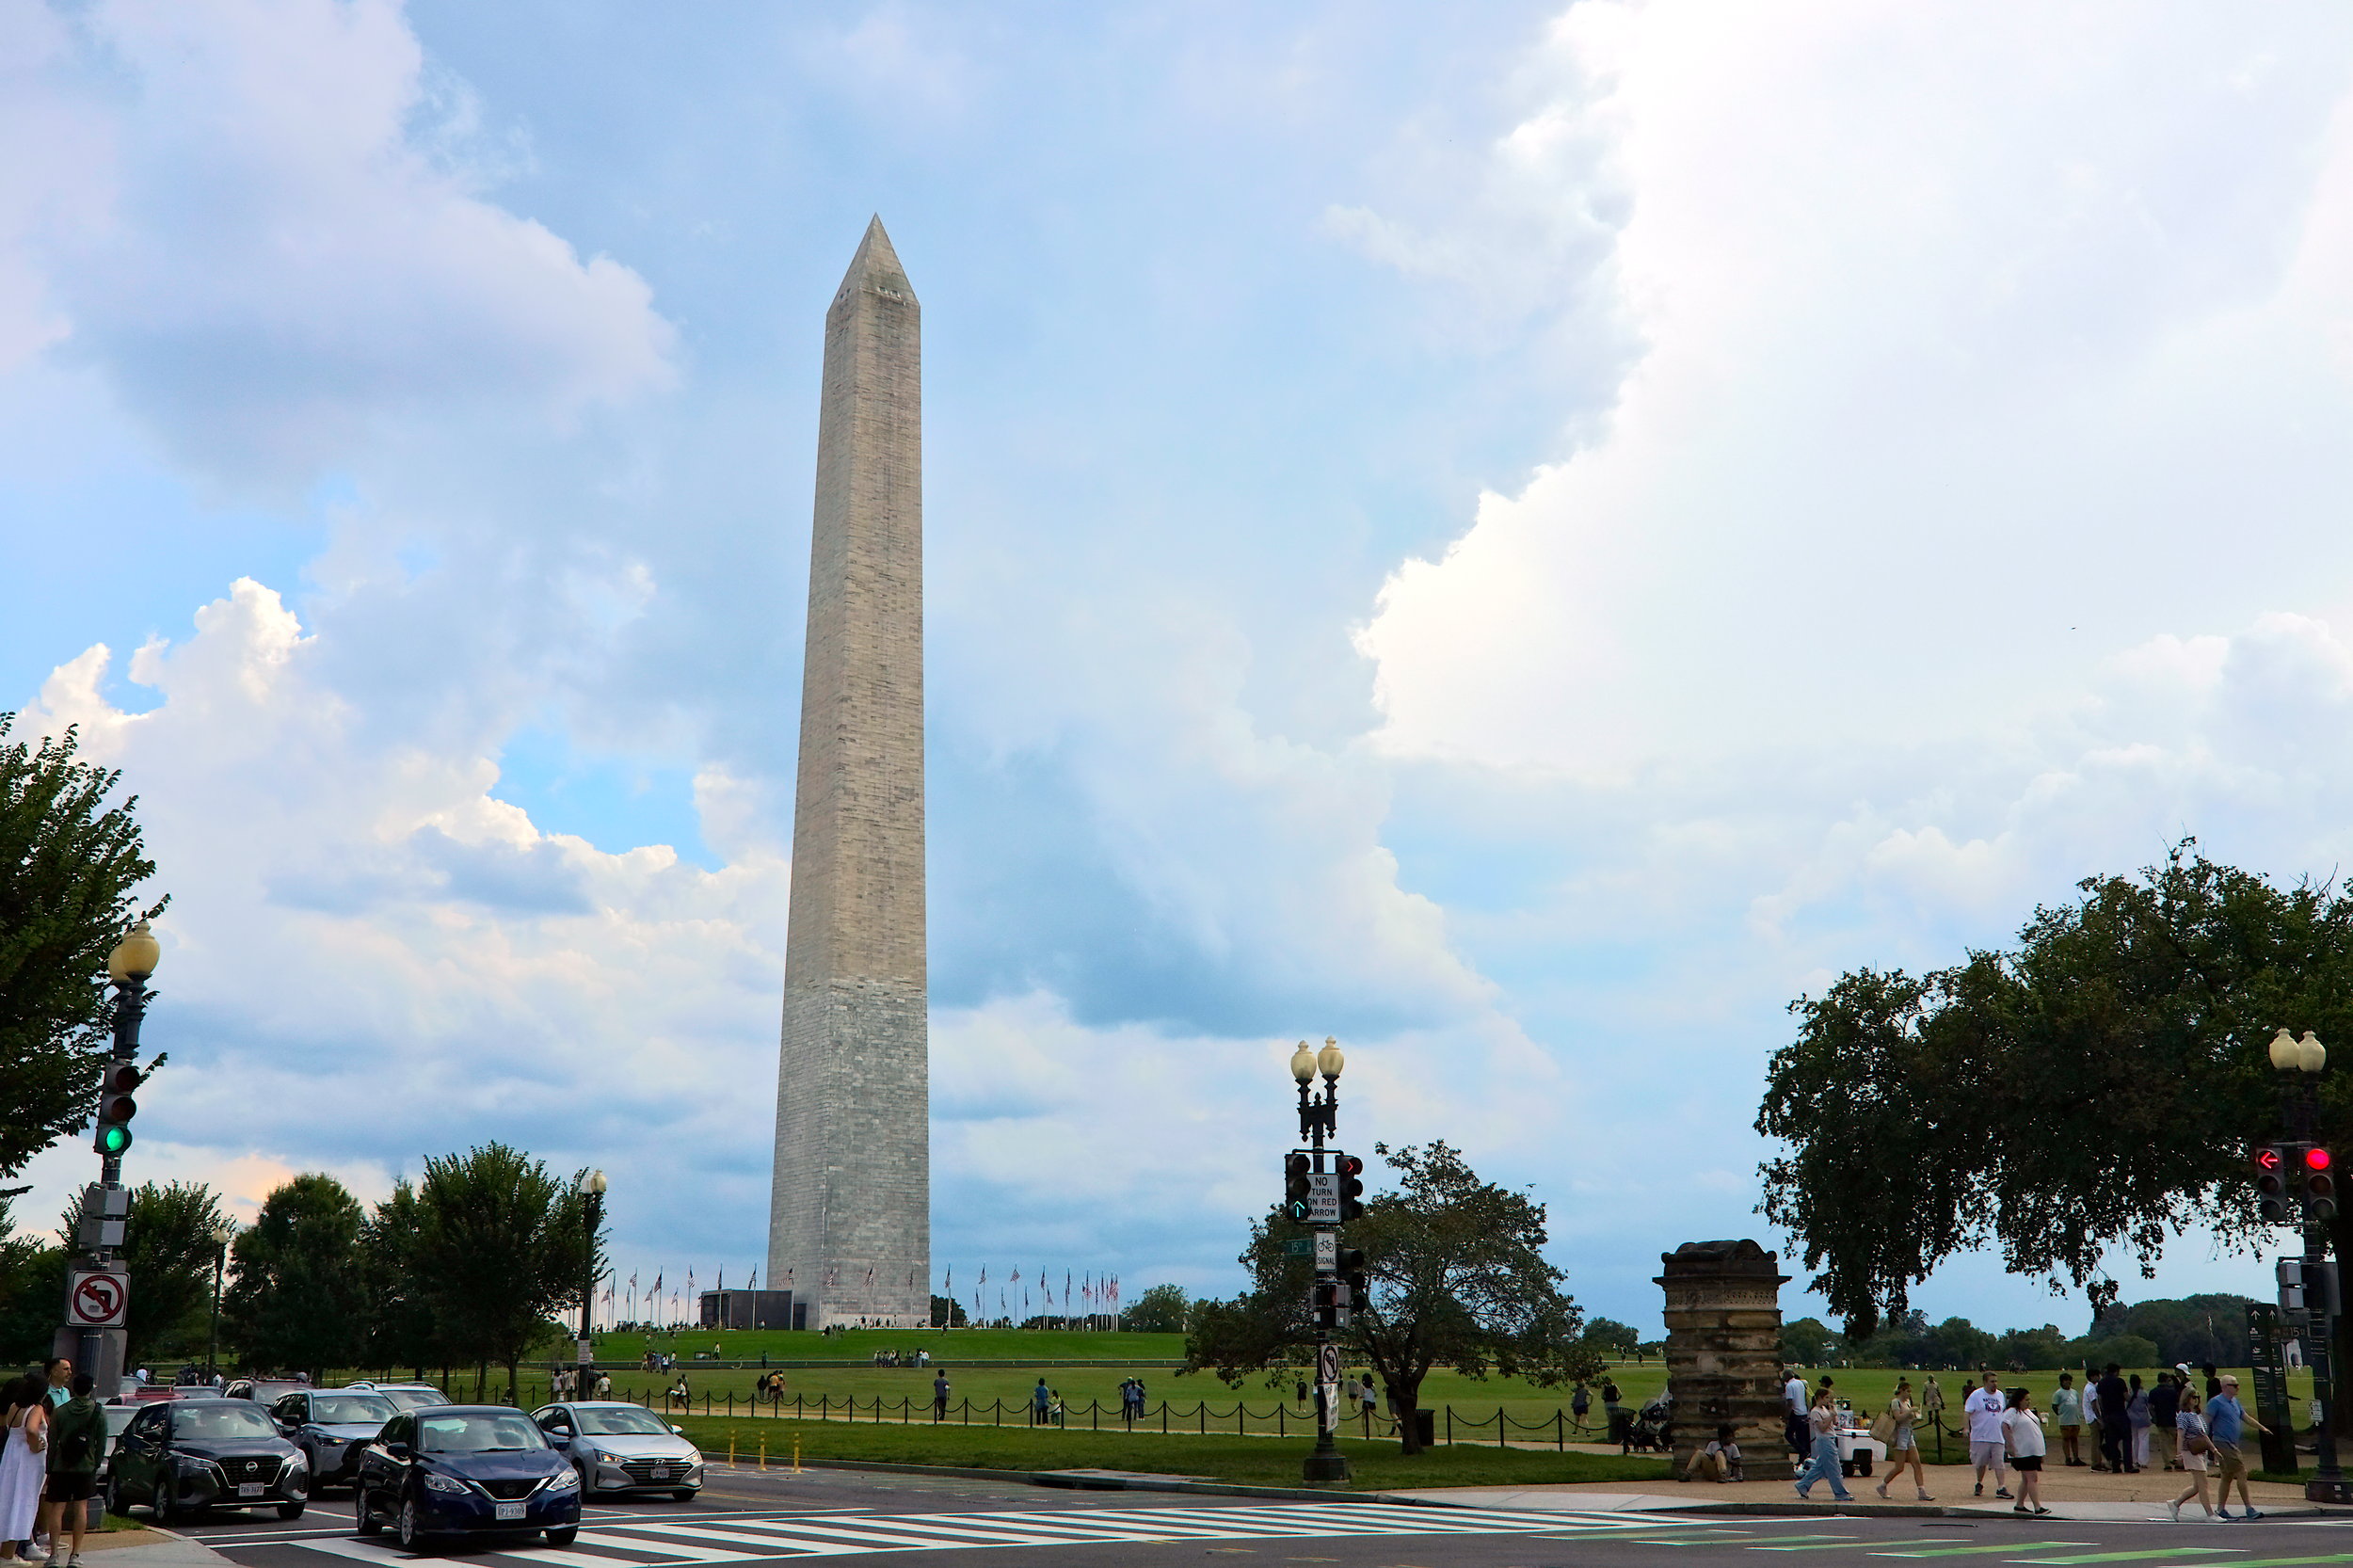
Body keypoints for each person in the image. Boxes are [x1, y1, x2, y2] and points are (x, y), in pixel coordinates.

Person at [39, 1372, 101, 1568]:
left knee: (58, 1508)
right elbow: (101, 1442)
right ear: (90, 1389)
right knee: (81, 1507)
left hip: (61, 1464)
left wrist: (50, 1466)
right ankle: (75, 1554)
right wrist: (95, 1463)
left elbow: (53, 1440)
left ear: (73, 1389)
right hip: (85, 1465)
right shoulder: (97, 1411)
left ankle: (54, 1554)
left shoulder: (61, 1411)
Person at [0, 1377, 50, 1563]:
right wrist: (36, 1445)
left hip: (11, 1456)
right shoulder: (36, 1409)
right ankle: (8, 1554)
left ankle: (5, 1551)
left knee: (8, 1500)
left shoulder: (14, 1406)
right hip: (28, 1461)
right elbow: (31, 1429)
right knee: (24, 1501)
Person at [2205, 1374, 2266, 1521]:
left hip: (2232, 1443)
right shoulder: (2215, 1402)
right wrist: (2206, 1443)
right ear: (2225, 1387)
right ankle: (2249, 1508)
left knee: (2227, 1476)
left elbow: (2245, 1417)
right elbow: (2206, 1422)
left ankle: (2221, 1509)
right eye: (2234, 1385)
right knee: (2241, 1472)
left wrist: (2262, 1428)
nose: (2237, 1387)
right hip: (2222, 1442)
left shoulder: (2235, 1402)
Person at [1875, 1378, 1933, 1502]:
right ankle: (1883, 1485)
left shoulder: (1906, 1402)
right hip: (1900, 1434)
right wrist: (1910, 1411)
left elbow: (1907, 1418)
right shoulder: (1896, 1402)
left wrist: (1914, 1417)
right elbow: (1898, 1417)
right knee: (1899, 1466)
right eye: (1907, 1391)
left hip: (1909, 1432)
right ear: (1901, 1391)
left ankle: (1921, 1490)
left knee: (1916, 1463)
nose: (1909, 1394)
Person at [1794, 1387, 1853, 1502]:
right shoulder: (1815, 1411)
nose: (1828, 1400)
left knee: (1820, 1468)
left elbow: (1834, 1423)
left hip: (1830, 1439)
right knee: (1834, 1468)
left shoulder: (1825, 1410)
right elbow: (1822, 1428)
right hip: (1824, 1440)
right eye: (1826, 1398)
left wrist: (1833, 1413)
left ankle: (1803, 1485)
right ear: (1819, 1398)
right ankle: (1840, 1493)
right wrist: (1830, 1416)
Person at [2169, 1387, 2217, 1522]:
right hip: (2190, 1451)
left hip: (2201, 1451)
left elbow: (2204, 1435)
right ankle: (2210, 1514)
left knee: (2197, 1486)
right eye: (2193, 1397)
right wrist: (2179, 1454)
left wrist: (2214, 1450)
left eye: (2197, 1397)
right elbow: (2180, 1434)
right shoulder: (2183, 1416)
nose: (2195, 1400)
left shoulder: (2197, 1415)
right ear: (2187, 1399)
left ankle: (2176, 1503)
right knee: (2203, 1484)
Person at [1966, 1370, 2012, 1499]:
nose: (1995, 1384)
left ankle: (2001, 1487)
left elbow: (2002, 1412)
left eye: (1996, 1381)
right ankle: (1979, 1483)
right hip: (1981, 1435)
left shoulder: (2000, 1395)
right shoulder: (1976, 1395)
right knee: (1981, 1463)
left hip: (1997, 1435)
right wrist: (1966, 1428)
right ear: (1985, 1382)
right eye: (1992, 1381)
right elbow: (1967, 1412)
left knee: (1999, 1462)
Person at [2096, 1363, 2133, 1474]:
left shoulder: (2101, 1383)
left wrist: (2103, 1413)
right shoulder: (2119, 1381)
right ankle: (2128, 1465)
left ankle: (2115, 1466)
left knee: (2112, 1441)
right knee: (2126, 1440)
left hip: (2108, 1415)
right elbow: (2126, 1397)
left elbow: (2100, 1399)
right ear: (2116, 1371)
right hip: (2120, 1413)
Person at [2052, 1373, 2085, 1466]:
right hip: (2065, 1420)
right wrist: (2060, 1414)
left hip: (2075, 1419)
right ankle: (2067, 1458)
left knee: (2074, 1439)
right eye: (2066, 1380)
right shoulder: (2058, 1393)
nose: (2068, 1382)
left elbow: (2077, 1404)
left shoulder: (2074, 1392)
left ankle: (2076, 1457)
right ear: (2062, 1382)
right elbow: (2054, 1406)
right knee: (2066, 1439)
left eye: (2069, 1380)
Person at [2151, 1371, 2182, 1471]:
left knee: (2163, 1442)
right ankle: (2177, 1459)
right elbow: (2178, 1406)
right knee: (2176, 1440)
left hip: (2160, 1419)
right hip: (2172, 1419)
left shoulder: (2153, 1392)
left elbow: (2150, 1407)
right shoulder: (2172, 1392)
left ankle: (2167, 1463)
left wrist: (2154, 1416)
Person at [1782, 1368, 1809, 1461]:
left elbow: (1790, 1403)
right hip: (1803, 1412)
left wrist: (1786, 1417)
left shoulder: (1789, 1386)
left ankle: (1802, 1452)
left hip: (1796, 1413)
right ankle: (1802, 1458)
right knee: (1801, 1437)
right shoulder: (1800, 1383)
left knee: (1788, 1435)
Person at [2128, 1374, 2153, 1471]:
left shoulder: (2129, 1393)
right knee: (2143, 1439)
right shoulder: (2143, 1393)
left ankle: (2135, 1460)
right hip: (2143, 1418)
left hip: (2131, 1418)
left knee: (2134, 1440)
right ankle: (2143, 1461)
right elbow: (2148, 1406)